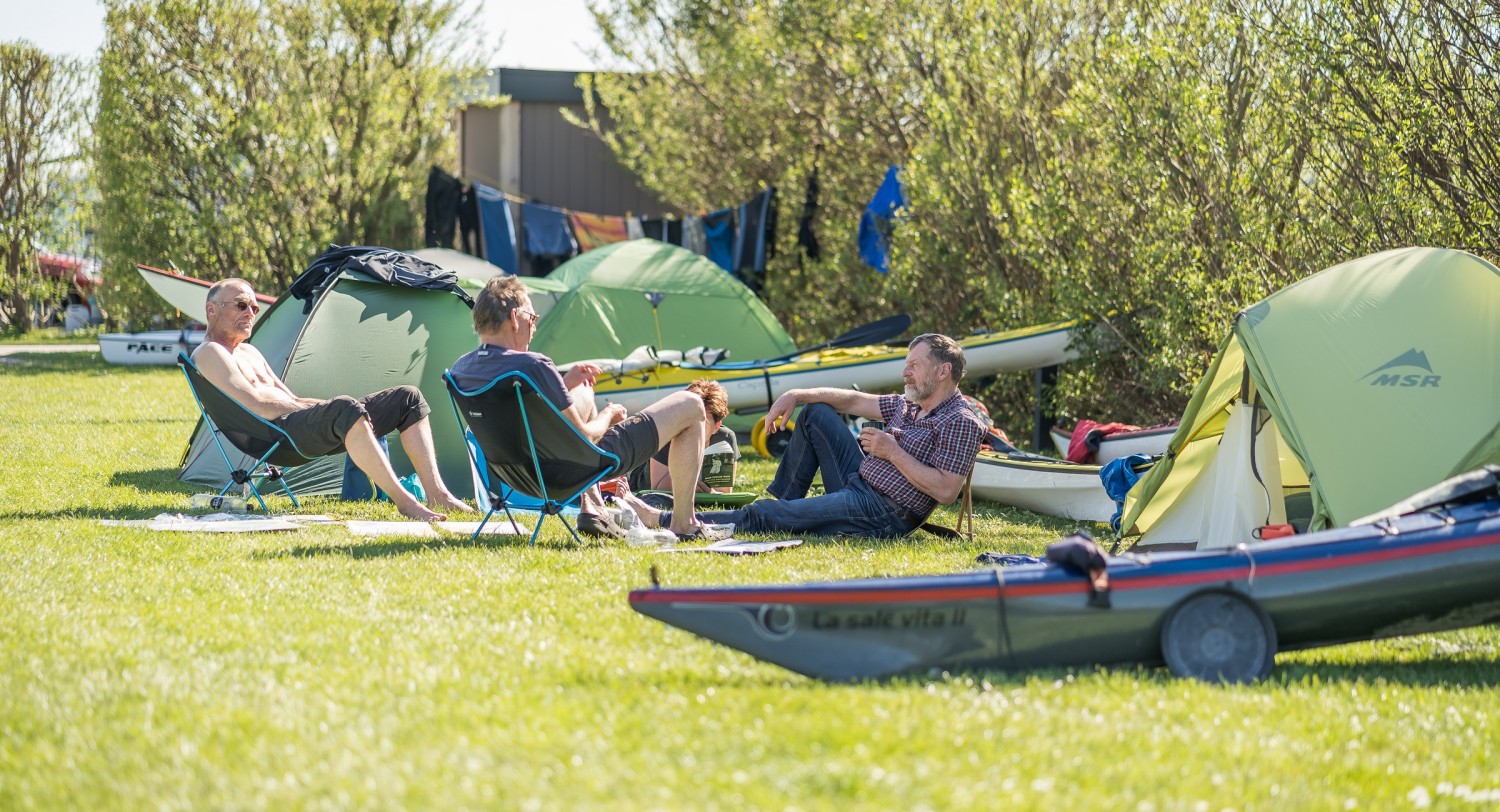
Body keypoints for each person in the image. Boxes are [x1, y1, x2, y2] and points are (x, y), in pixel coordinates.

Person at [448, 276, 727, 541]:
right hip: (569, 471)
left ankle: (592, 509)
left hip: (516, 476)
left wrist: (565, 384)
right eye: (532, 318)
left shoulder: (461, 370)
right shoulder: (532, 365)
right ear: (514, 318)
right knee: (691, 405)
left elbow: (523, 415)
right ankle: (684, 523)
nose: (534, 326)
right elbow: (586, 437)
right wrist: (611, 414)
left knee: (583, 390)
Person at [643, 333, 987, 538]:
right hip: (860, 484)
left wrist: (892, 450)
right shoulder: (910, 403)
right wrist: (796, 394)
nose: (905, 372)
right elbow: (852, 399)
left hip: (885, 512)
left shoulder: (960, 421)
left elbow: (945, 491)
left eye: (914, 364)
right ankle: (786, 504)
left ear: (943, 371)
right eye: (906, 363)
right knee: (815, 414)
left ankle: (666, 520)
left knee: (766, 516)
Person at [191, 278, 472, 522]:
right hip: (274, 437)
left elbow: (291, 399)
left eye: (254, 307)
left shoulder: (249, 353)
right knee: (345, 407)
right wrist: (331, 408)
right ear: (211, 310)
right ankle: (405, 501)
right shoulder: (210, 352)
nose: (251, 312)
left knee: (407, 398)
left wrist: (328, 408)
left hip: (292, 425)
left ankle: (438, 494)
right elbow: (256, 405)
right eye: (241, 305)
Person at [628, 379, 737, 495]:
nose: (694, 426)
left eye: (703, 421)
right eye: (690, 418)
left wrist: (711, 492)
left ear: (716, 426)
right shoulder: (667, 433)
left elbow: (724, 492)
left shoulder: (725, 438)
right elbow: (657, 487)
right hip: (639, 479)